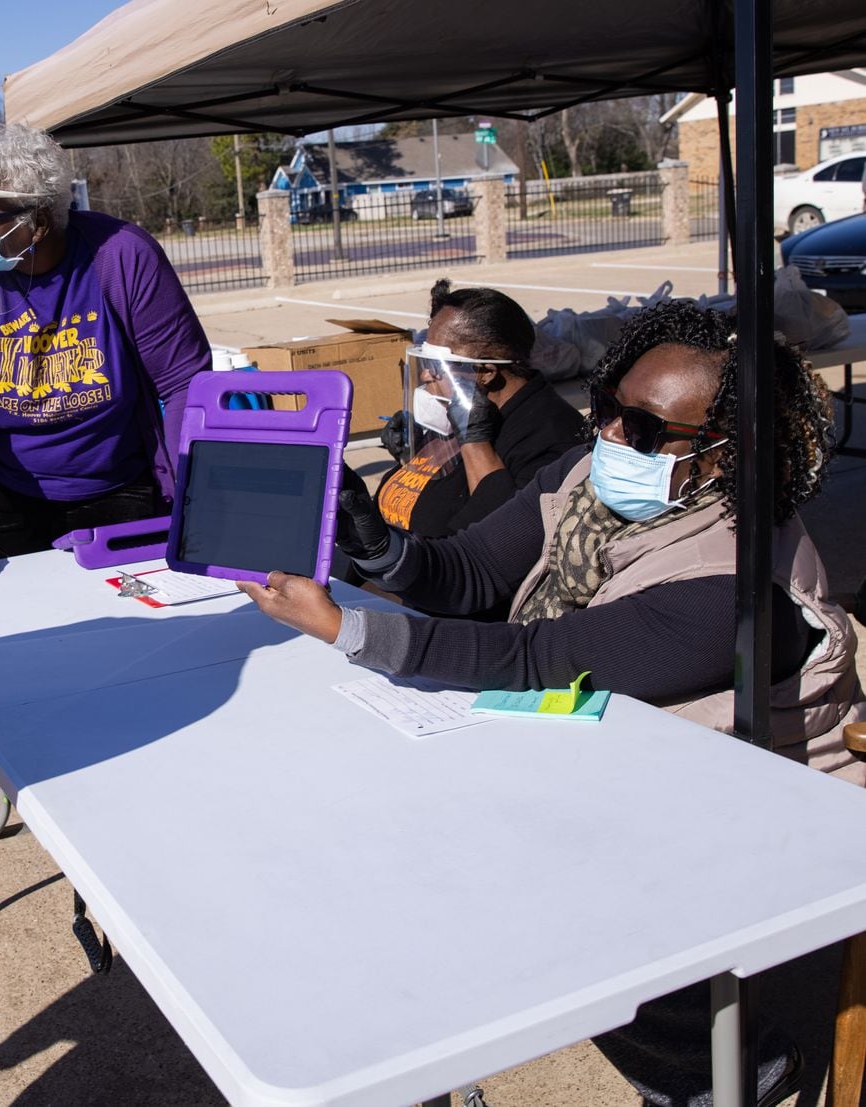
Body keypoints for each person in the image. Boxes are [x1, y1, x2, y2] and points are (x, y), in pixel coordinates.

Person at [241, 299, 863, 1107]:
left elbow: (539, 659)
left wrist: (350, 629)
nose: (607, 435)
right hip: (634, 748)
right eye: (606, 409)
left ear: (722, 454)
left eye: (642, 431)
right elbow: (468, 572)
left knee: (528, 895)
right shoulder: (588, 481)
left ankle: (717, 1068)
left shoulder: (731, 583)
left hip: (757, 799)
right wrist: (377, 545)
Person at [0, 124, 211, 588]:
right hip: (12, 495)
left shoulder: (121, 256)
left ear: (38, 223)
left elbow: (185, 384)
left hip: (119, 486)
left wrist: (193, 501)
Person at [373, 280, 582, 539]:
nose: (426, 375)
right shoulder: (463, 411)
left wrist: (475, 443)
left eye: (437, 365)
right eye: (425, 362)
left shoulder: (551, 441)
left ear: (486, 372)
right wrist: (412, 454)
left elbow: (496, 540)